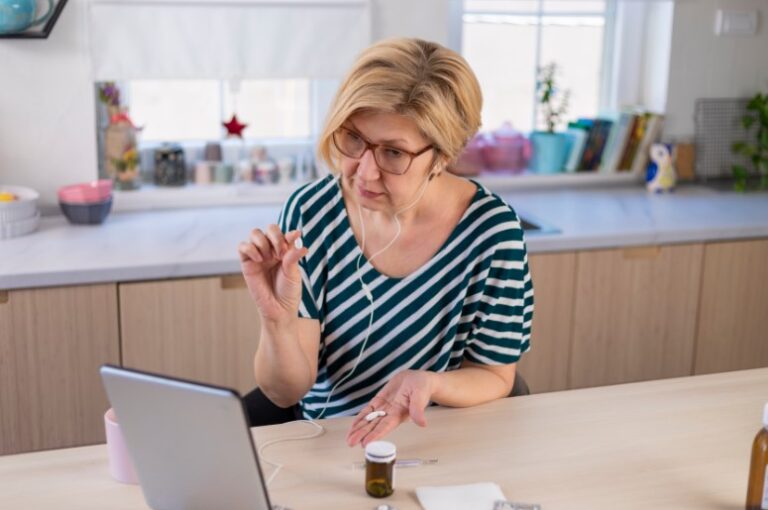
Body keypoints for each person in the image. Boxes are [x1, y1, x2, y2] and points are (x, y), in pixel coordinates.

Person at [238, 37, 533, 448]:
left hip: (432, 441)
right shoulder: (312, 213)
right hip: (326, 441)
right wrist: (277, 319)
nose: (365, 173)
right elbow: (286, 394)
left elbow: (497, 376)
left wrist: (429, 383)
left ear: (443, 156)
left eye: (393, 153)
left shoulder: (491, 232)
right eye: (354, 140)